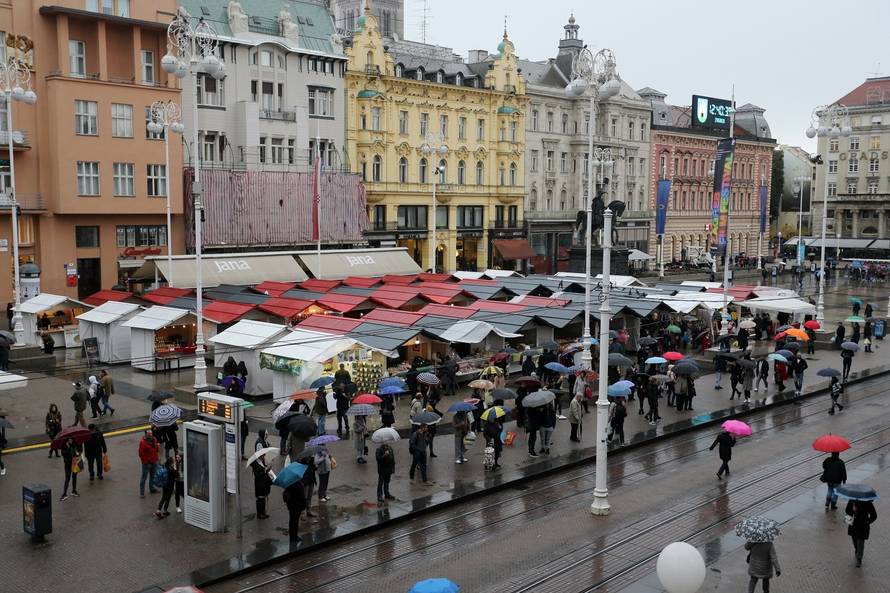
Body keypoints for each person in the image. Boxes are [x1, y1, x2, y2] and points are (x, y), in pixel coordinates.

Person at [845, 498, 877, 567]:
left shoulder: (867, 502)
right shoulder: (852, 500)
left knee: (860, 542)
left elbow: (874, 515)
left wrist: (868, 521)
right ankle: (857, 550)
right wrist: (852, 510)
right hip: (853, 525)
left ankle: (859, 559)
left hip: (863, 526)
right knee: (854, 541)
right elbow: (847, 510)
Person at [138, 429, 161, 498]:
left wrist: (157, 448)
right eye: (149, 434)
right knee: (144, 478)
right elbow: (141, 454)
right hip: (147, 463)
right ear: (146, 434)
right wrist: (145, 462)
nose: (151, 435)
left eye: (151, 433)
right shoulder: (142, 442)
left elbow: (156, 449)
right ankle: (142, 493)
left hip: (154, 461)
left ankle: (152, 489)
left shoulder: (154, 439)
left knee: (153, 476)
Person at [59, 436, 81, 500]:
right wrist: (68, 448)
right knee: (67, 478)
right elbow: (64, 455)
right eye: (69, 440)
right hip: (68, 465)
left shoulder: (74, 445)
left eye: (71, 439)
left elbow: (78, 451)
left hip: (74, 464)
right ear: (67, 441)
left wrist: (78, 453)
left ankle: (74, 490)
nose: (71, 441)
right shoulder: (64, 447)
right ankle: (64, 494)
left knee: (74, 477)